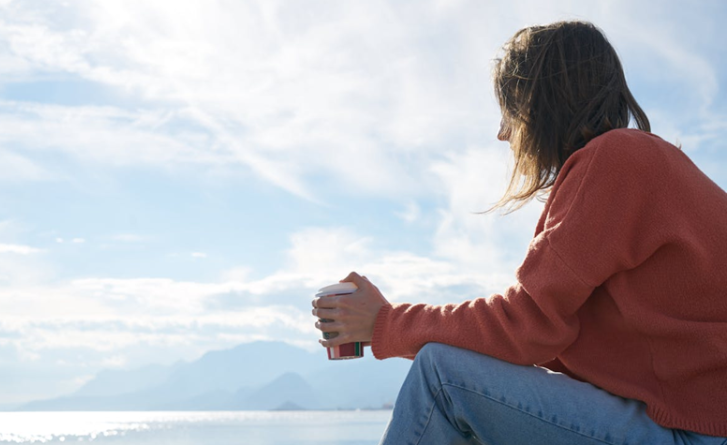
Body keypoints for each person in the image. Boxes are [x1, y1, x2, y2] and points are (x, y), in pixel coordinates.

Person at [311, 20, 727, 445]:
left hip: (692, 434)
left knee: (441, 376)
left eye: (510, 109)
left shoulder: (617, 160)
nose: (503, 132)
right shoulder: (645, 166)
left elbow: (528, 325)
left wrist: (384, 323)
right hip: (691, 422)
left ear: (541, 103)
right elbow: (545, 338)